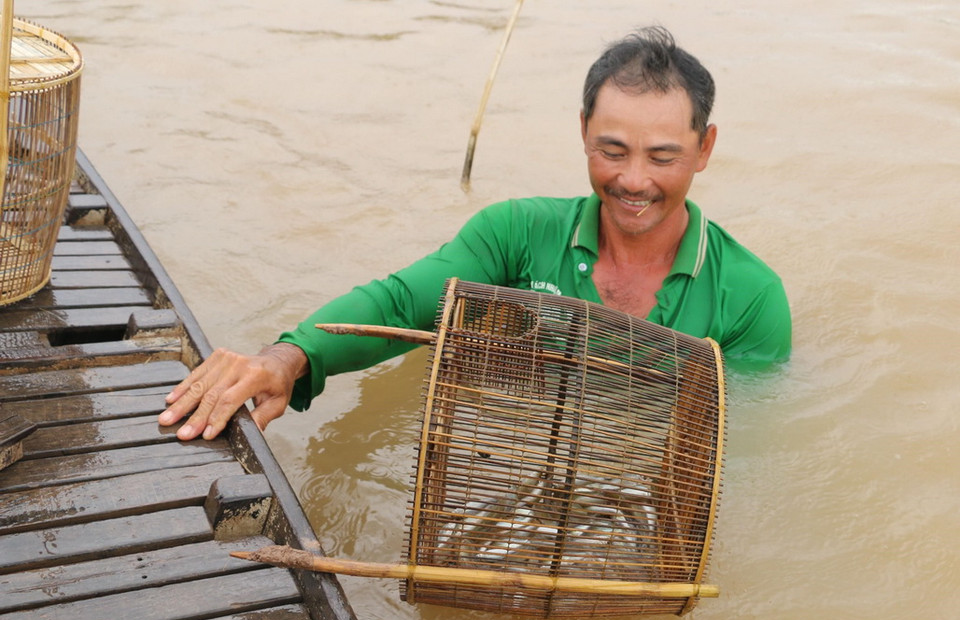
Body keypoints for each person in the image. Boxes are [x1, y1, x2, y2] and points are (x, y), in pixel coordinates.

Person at [159, 26, 791, 442]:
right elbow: (403, 302)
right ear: (582, 132)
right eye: (612, 150)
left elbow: (742, 446)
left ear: (705, 148)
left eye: (662, 157)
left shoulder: (751, 296)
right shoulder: (515, 233)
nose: (633, 181)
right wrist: (287, 358)